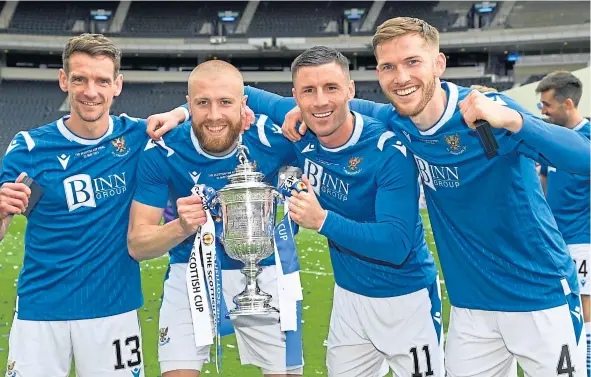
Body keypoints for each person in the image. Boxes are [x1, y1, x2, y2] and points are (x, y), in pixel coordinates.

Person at [269, 17, 590, 377]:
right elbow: (330, 107)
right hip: (471, 308)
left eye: (412, 62)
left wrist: (514, 120)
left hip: (539, 294)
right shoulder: (397, 121)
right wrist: (302, 108)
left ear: (438, 64)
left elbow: (585, 158)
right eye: (389, 67)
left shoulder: (487, 112)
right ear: (378, 75)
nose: (401, 77)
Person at [228, 46, 443, 377]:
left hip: (405, 299)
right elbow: (231, 89)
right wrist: (180, 114)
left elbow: (396, 243)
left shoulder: (387, 151)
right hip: (348, 300)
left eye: (331, 88)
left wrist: (322, 220)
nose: (320, 101)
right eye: (308, 91)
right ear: (295, 96)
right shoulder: (302, 128)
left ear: (351, 90)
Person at [0, 33, 188, 377]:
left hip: (113, 314)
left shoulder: (138, 137)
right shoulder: (29, 148)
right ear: (63, 80)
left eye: (102, 80)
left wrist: (180, 111)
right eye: (80, 79)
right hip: (41, 312)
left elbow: (212, 108)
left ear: (117, 85)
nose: (91, 91)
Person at [127, 60, 303, 377]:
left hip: (267, 273)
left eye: (226, 102)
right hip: (190, 272)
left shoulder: (273, 138)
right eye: (202, 103)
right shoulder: (162, 150)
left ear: (243, 104)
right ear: (189, 104)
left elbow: (319, 115)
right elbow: (138, 245)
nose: (214, 115)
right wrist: (181, 226)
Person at [536, 71, 590, 377]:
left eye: (547, 105)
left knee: (584, 311)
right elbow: (544, 183)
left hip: (583, 240)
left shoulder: (588, 139)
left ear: (568, 103)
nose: (542, 111)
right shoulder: (552, 139)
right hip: (553, 241)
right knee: (557, 312)